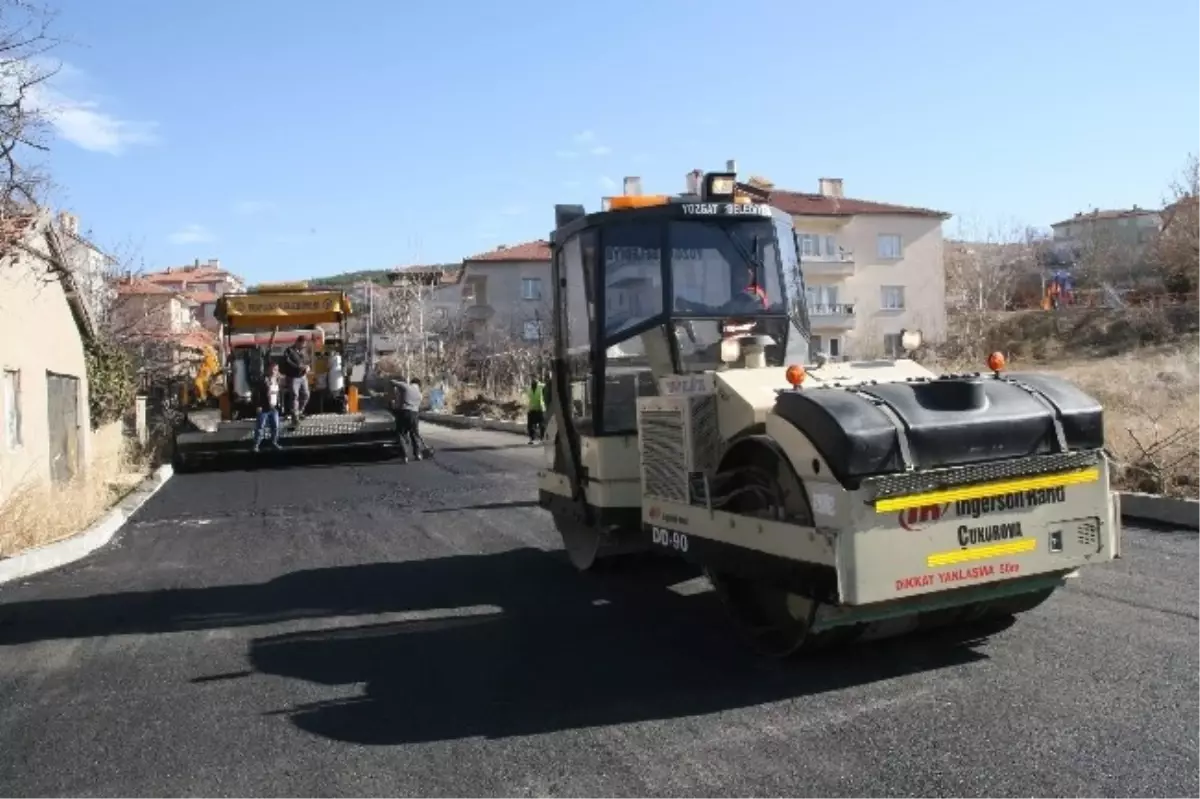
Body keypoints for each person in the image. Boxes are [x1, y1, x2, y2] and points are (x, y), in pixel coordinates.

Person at [391, 376, 428, 462]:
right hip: (414, 414)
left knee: (401, 433)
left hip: (404, 413)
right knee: (415, 434)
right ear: (419, 385)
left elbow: (393, 381)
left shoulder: (406, 386)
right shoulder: (420, 394)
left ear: (412, 382)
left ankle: (405, 455)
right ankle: (418, 454)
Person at [252, 361, 284, 452]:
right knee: (260, 427)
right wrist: (258, 405)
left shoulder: (278, 380)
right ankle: (256, 445)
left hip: (273, 407)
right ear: (269, 370)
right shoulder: (264, 380)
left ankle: (274, 442)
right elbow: (257, 394)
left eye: (277, 369)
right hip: (264, 407)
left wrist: (280, 405)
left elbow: (279, 393)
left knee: (275, 426)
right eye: (274, 369)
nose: (275, 371)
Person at [281, 335, 311, 426]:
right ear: (298, 342)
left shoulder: (304, 351)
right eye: (303, 344)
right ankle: (295, 417)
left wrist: (308, 367)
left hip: (303, 377)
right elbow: (287, 362)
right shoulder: (289, 351)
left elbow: (307, 361)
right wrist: (299, 367)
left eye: (305, 345)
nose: (304, 346)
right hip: (293, 377)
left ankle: (300, 411)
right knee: (294, 396)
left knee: (306, 394)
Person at [526, 377, 546, 445]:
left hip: (540, 408)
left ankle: (542, 438)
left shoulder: (542, 386)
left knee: (542, 425)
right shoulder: (528, 388)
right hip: (531, 408)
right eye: (532, 378)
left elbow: (547, 395)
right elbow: (526, 397)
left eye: (534, 378)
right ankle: (532, 438)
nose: (533, 379)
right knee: (531, 425)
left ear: (537, 378)